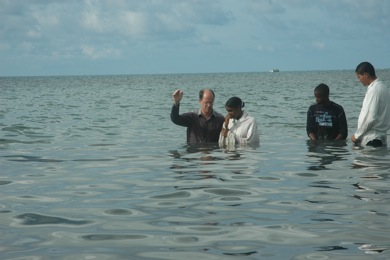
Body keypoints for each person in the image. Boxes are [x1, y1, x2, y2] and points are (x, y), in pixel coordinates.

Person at [351, 61, 390, 147]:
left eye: (359, 77)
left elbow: (371, 118)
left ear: (366, 75)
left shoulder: (374, 90)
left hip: (373, 138)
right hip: (380, 137)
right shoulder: (383, 87)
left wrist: (357, 135)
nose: (359, 80)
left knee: (368, 160)